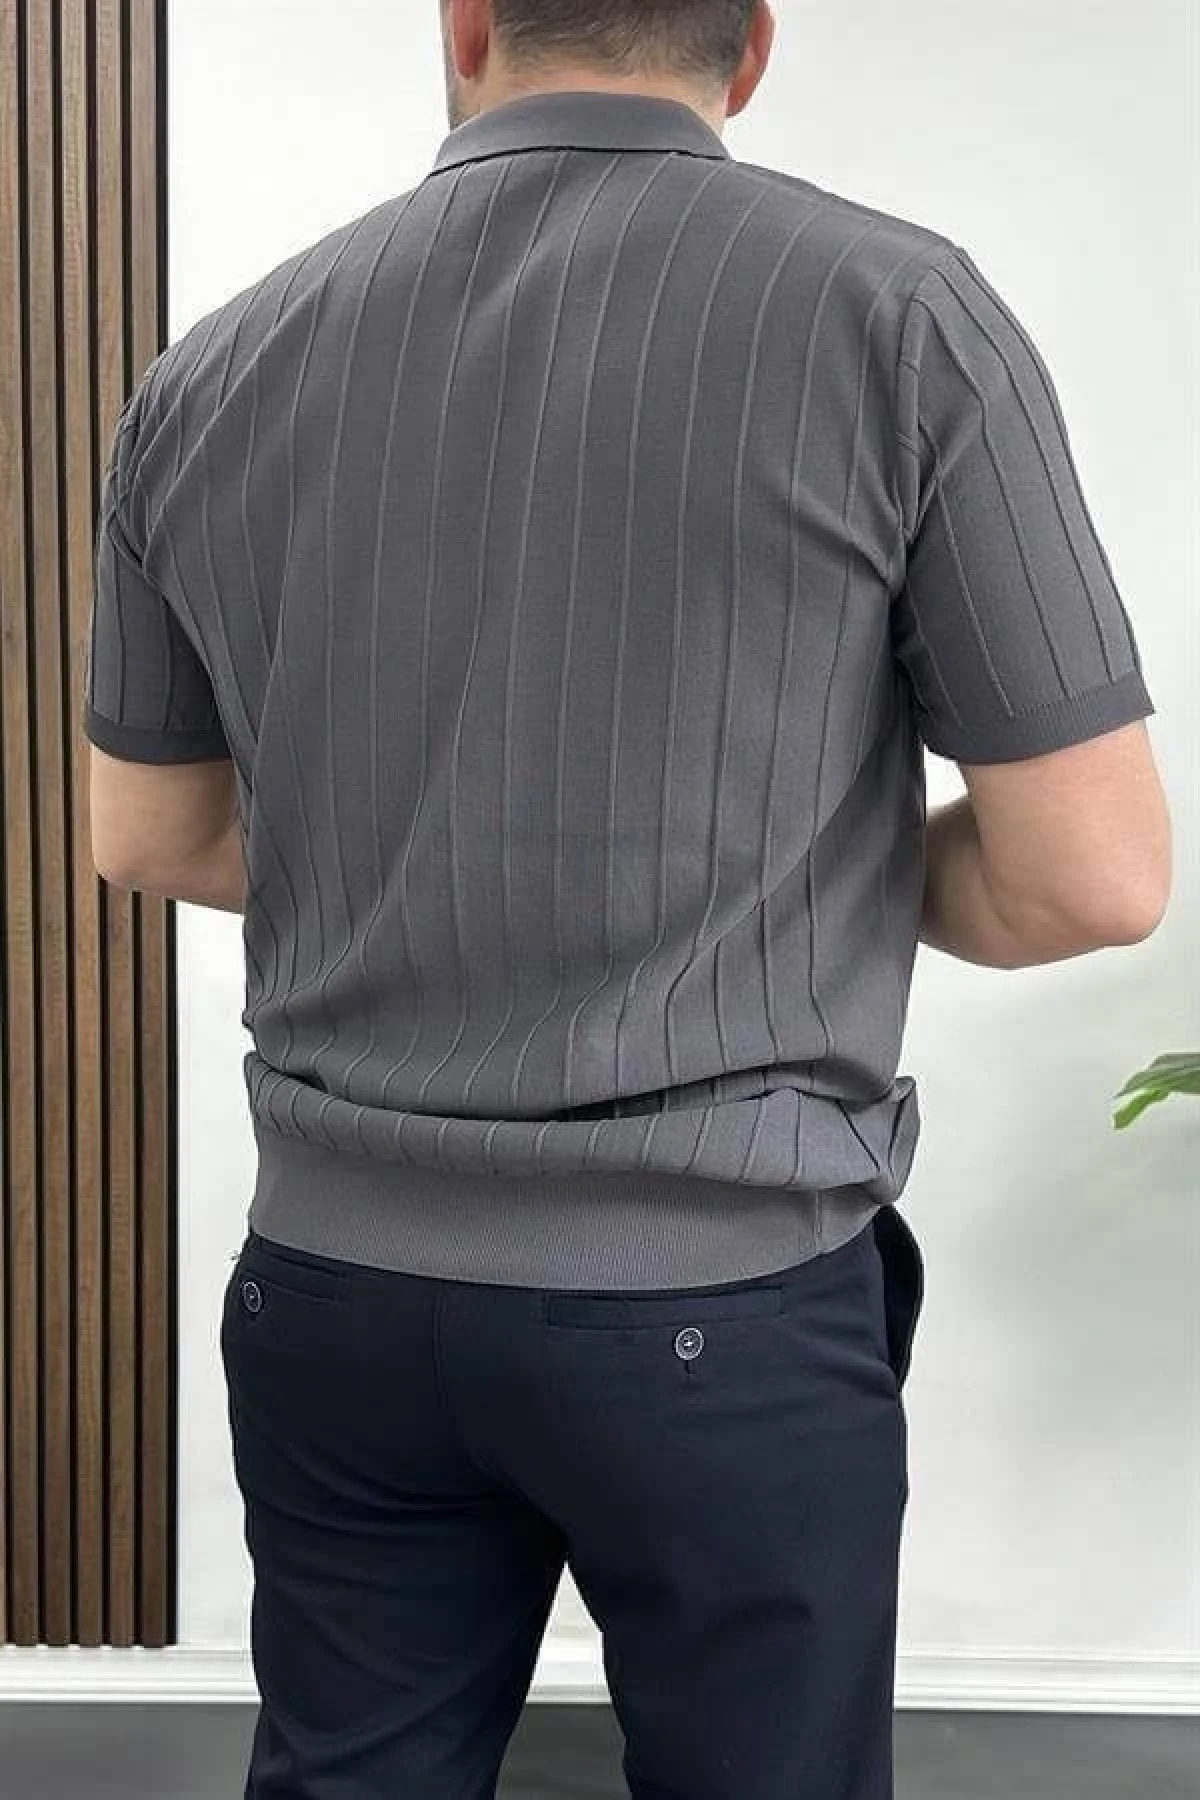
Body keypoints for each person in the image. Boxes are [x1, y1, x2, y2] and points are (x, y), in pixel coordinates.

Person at [84, 1, 1171, 1794]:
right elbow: (1091, 878)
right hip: (718, 1297)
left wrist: (438, 856)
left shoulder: (214, 366)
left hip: (337, 1285)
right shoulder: (902, 320)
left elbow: (148, 836)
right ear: (751, 48)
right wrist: (781, 873)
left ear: (464, 28)